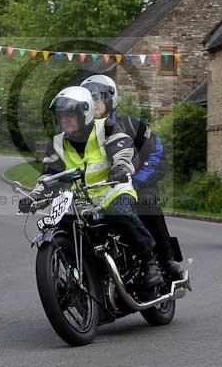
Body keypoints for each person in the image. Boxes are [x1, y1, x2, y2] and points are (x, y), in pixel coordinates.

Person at [19, 86, 163, 288]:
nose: (65, 119)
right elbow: (49, 175)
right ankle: (83, 277)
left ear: (84, 114)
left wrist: (121, 167)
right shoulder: (58, 143)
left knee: (118, 211)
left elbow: (122, 150)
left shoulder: (106, 127)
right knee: (62, 227)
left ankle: (150, 262)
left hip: (112, 190)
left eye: (70, 115)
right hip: (79, 201)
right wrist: (34, 197)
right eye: (61, 116)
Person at [80, 75, 185, 280]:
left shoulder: (132, 125)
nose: (94, 104)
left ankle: (165, 260)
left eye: (98, 98)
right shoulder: (81, 133)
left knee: (147, 203)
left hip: (135, 183)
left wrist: (134, 180)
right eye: (89, 100)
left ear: (110, 101)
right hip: (98, 190)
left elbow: (157, 153)